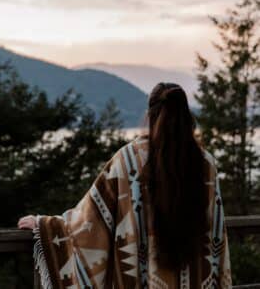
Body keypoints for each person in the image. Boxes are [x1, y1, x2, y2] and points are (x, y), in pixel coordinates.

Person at [18, 82, 232, 288]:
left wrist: (46, 226)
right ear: (187, 116)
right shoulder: (206, 164)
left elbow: (90, 218)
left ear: (150, 115)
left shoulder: (128, 160)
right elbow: (216, 235)